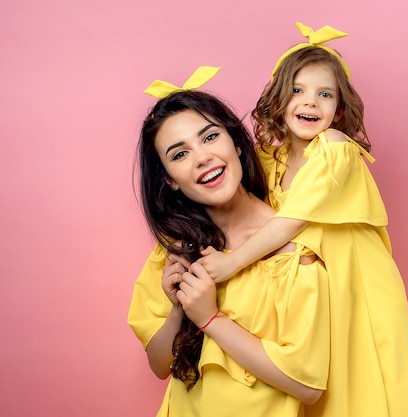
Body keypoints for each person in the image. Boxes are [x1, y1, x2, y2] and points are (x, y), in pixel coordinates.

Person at [198, 24, 408, 417]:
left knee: (359, 385)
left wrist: (231, 263)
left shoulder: (335, 149)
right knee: (312, 380)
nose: (311, 102)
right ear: (279, 101)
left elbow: (291, 221)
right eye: (298, 91)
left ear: (339, 109)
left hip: (355, 288)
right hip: (311, 291)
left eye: (325, 94)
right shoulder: (274, 160)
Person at [127, 67, 330, 417]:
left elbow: (307, 385)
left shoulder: (295, 249)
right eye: (179, 154)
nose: (202, 157)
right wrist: (179, 309)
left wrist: (210, 319)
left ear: (236, 143)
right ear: (170, 181)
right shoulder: (175, 249)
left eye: (209, 137)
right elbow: (160, 365)